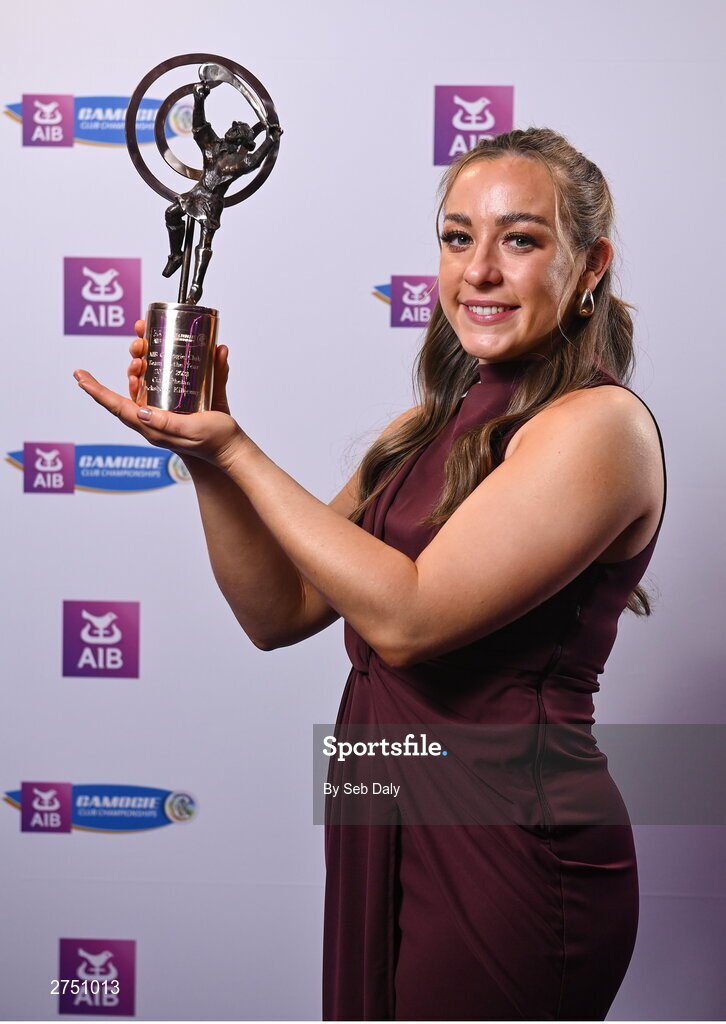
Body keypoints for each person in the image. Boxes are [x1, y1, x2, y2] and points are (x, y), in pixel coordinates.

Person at [74, 127, 665, 1021]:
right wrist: (203, 453)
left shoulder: (600, 428)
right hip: (382, 792)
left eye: (522, 238)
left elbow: (411, 619)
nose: (480, 270)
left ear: (589, 267)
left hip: (505, 831)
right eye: (459, 236)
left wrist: (241, 450)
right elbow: (280, 610)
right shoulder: (424, 428)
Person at [162, 80, 283, 304]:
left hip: (212, 203)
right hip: (197, 193)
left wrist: (270, 139)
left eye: (238, 129)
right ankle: (176, 255)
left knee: (204, 243)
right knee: (171, 213)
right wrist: (199, 98)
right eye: (233, 126)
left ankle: (196, 288)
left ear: (243, 139)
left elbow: (255, 161)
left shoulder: (239, 161)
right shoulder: (213, 145)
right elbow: (198, 127)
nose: (232, 128)